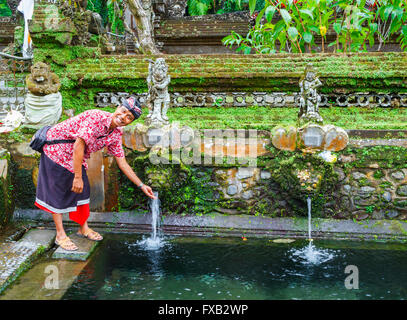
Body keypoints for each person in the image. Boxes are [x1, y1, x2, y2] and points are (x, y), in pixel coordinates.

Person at [34, 96, 156, 251]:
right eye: (123, 111)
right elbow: (79, 145)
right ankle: (60, 235)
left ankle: (83, 228)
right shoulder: (96, 118)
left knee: (83, 191)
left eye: (129, 117)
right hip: (56, 149)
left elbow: (122, 162)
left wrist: (141, 185)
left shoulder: (116, 133)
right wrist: (77, 177)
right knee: (58, 192)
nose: (123, 117)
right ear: (118, 108)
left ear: (131, 121)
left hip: (75, 155)